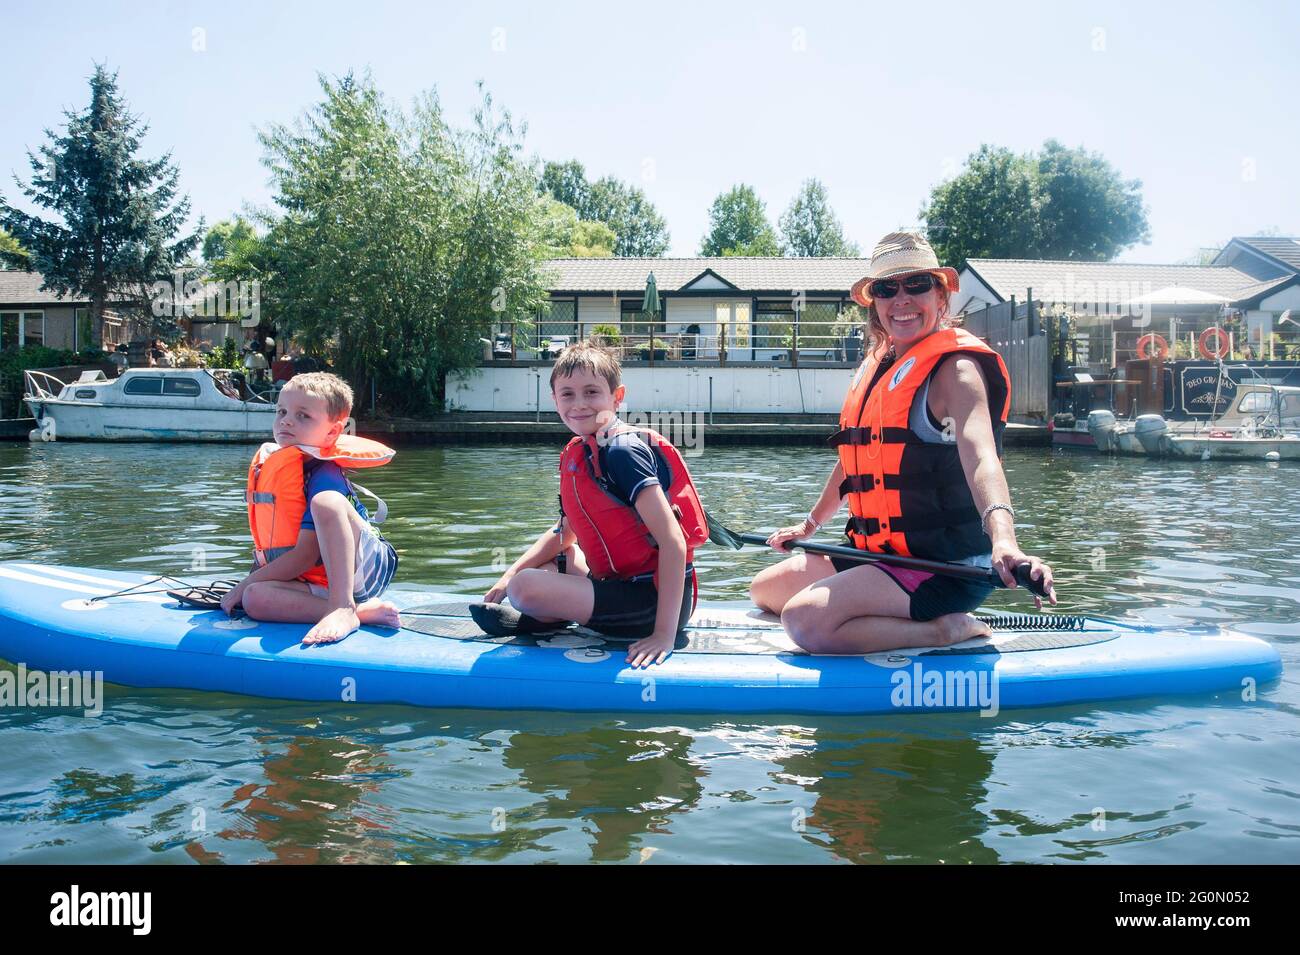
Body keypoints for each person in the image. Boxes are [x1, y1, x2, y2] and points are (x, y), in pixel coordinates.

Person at [749, 231, 1056, 653]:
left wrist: (1004, 539)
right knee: (764, 590)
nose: (902, 299)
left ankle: (946, 629)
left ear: (941, 296)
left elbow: (982, 458)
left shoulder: (957, 370)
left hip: (943, 566)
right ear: (874, 302)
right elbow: (854, 463)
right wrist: (810, 526)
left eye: (916, 285)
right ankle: (877, 612)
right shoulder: (880, 366)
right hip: (882, 553)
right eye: (886, 288)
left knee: (804, 621)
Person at [471, 341, 709, 668]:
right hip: (615, 586)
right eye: (567, 394)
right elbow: (565, 532)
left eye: (592, 392)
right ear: (554, 399)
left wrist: (664, 635)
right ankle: (552, 612)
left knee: (525, 587)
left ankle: (547, 615)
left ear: (617, 397)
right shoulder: (581, 450)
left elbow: (673, 541)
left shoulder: (623, 451)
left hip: (650, 603)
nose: (579, 404)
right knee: (556, 559)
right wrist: (507, 574)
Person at [220, 372, 401, 644]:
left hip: (364, 571)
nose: (287, 420)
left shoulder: (323, 475)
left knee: (326, 501)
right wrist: (248, 586)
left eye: (303, 415)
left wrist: (244, 583)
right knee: (254, 598)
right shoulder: (282, 463)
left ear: (332, 431)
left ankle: (344, 607)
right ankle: (360, 613)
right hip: (318, 582)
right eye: (281, 411)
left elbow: (305, 555)